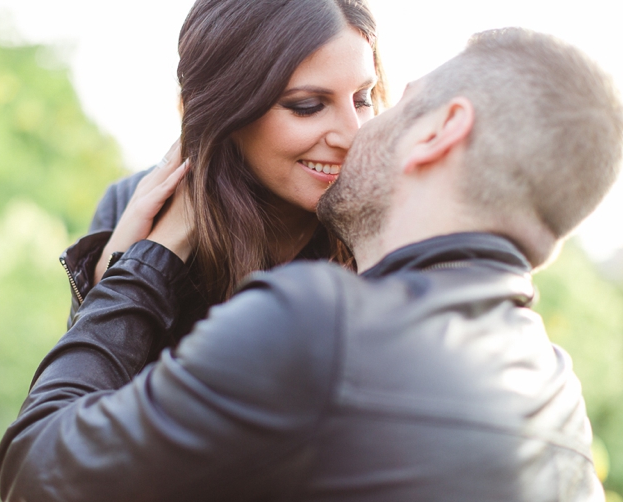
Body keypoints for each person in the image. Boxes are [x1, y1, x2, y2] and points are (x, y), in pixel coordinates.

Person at [0, 27, 623, 502]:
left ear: (440, 129)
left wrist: (139, 271)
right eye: (308, 103)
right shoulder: (560, 401)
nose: (356, 132)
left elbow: (40, 472)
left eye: (382, 100)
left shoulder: (318, 327)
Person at [61, 0, 387, 335]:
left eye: (362, 99)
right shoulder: (130, 206)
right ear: (226, 109)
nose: (353, 135)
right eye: (308, 106)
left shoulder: (396, 223)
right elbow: (80, 383)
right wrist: (125, 267)